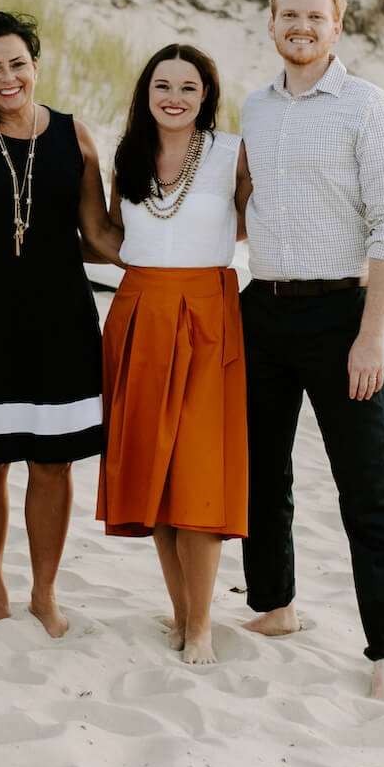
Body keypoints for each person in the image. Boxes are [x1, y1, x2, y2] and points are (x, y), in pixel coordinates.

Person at [237, 0, 384, 701]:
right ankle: (275, 607)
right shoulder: (255, 108)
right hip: (263, 310)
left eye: (316, 17)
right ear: (271, 22)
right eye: (289, 15)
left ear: (336, 28)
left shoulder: (368, 108)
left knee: (368, 488)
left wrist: (371, 337)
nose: (301, 28)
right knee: (260, 475)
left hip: (344, 315)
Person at [0, 11, 121, 638]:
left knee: (53, 462)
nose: (7, 78)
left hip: (59, 317)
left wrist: (183, 237)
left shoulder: (75, 137)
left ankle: (44, 592)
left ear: (36, 65)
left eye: (16, 64)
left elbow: (97, 236)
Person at [96, 43, 250, 665]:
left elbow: (251, 223)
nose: (175, 96)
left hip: (208, 313)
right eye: (164, 84)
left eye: (189, 86)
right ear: (147, 90)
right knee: (155, 475)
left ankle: (205, 624)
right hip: (139, 313)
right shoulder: (128, 155)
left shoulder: (232, 153)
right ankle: (184, 613)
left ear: (207, 94)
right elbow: (111, 234)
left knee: (198, 473)